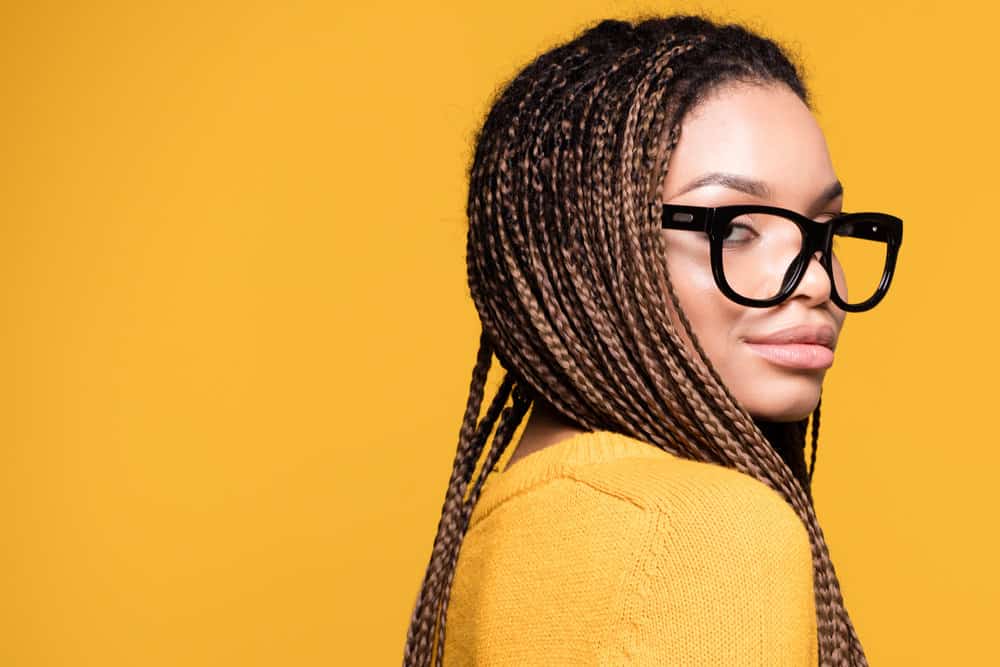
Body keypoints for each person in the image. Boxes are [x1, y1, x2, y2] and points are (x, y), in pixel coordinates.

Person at [403, 14, 903, 667]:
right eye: (735, 228)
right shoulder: (709, 533)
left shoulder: (511, 525)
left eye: (825, 227)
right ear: (587, 253)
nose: (815, 278)